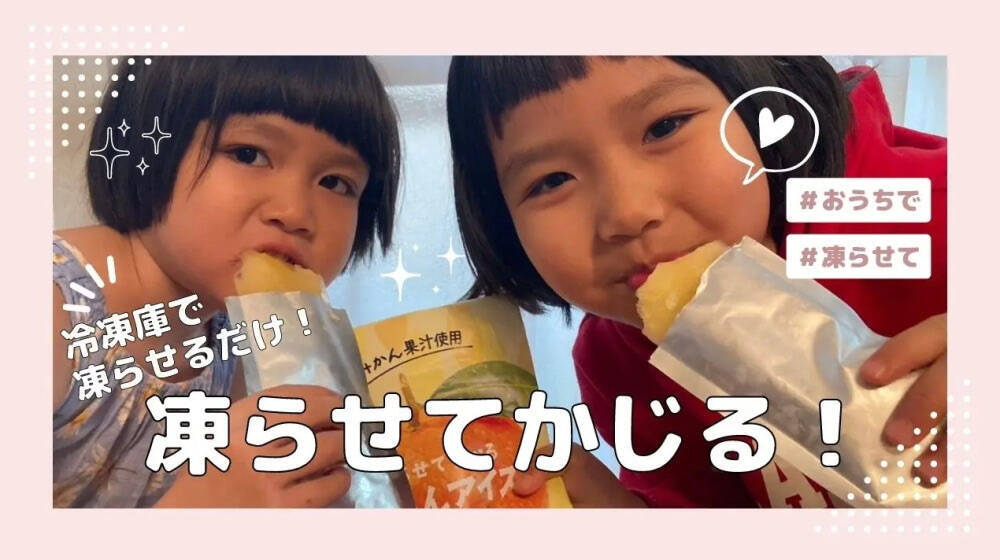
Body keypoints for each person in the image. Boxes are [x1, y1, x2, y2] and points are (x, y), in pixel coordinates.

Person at [445, 56, 947, 507]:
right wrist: (608, 505)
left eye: (664, 127)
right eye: (551, 181)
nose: (628, 213)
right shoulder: (616, 363)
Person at [53, 56, 401, 507]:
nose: (295, 212)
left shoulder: (239, 344)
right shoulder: (54, 305)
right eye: (248, 154)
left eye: (335, 182)